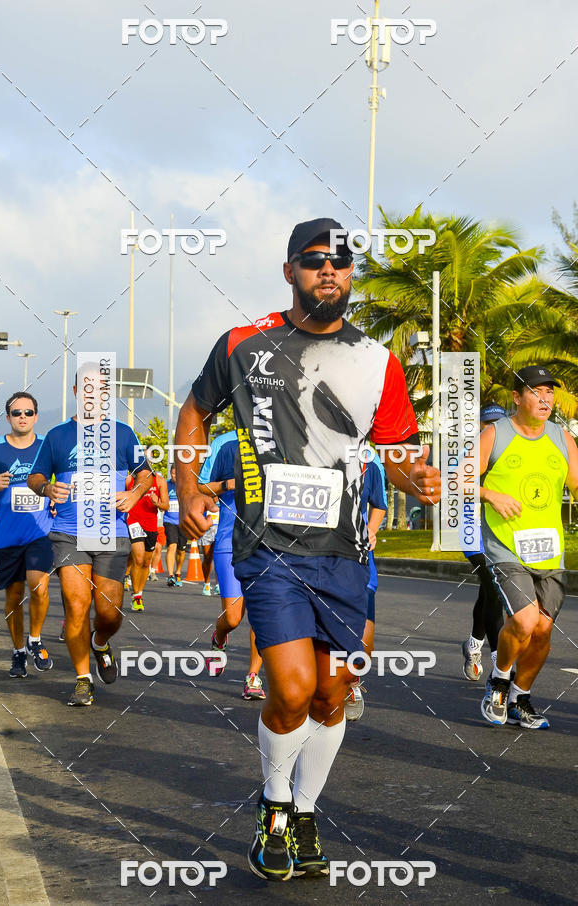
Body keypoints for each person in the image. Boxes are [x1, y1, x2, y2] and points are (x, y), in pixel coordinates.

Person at [176, 217, 441, 881]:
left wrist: (421, 479)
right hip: (269, 548)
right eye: (316, 260)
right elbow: (192, 412)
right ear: (290, 269)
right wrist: (184, 485)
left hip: (346, 553)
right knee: (291, 688)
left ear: (352, 276)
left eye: (342, 262)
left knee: (332, 691)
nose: (330, 270)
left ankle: (305, 811)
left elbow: (399, 451)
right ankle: (272, 810)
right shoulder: (243, 343)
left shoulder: (377, 362)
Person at [28, 367, 152, 706]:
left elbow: (145, 474)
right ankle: (83, 678)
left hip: (110, 533)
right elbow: (36, 476)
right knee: (77, 605)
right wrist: (46, 486)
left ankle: (100, 643)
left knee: (109, 613)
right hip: (69, 533)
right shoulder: (57, 435)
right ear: (75, 391)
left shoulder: (124, 433)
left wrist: (134, 494)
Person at [480, 366, 578, 728]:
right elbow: (457, 480)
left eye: (550, 392)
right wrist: (489, 493)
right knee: (524, 620)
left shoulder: (563, 438)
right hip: (507, 547)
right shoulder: (495, 434)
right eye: (536, 392)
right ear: (517, 398)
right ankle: (500, 679)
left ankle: (520, 697)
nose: (546, 398)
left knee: (542, 631)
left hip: (549, 550)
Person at [0, 392, 54, 677]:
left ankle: (34, 640)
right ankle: (18, 651)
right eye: (16, 412)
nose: (23, 417)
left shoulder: (48, 446)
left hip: (40, 532)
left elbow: (63, 481)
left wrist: (57, 500)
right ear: (8, 417)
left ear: (36, 416)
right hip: (8, 535)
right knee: (14, 596)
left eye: (28, 412)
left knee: (39, 586)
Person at [198, 429, 266, 700]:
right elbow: (201, 485)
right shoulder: (224, 443)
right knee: (234, 617)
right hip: (230, 542)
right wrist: (228, 485)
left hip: (270, 545)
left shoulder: (284, 437)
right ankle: (219, 636)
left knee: (262, 617)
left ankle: (253, 677)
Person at [461, 403, 506, 682]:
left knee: (488, 592)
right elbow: (455, 488)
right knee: (494, 591)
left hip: (501, 534)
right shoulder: (469, 455)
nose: (491, 428)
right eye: (486, 424)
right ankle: (501, 665)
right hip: (472, 532)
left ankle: (473, 646)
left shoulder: (510, 453)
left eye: (497, 423)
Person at [345, 455, 387, 721]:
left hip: (358, 555)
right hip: (314, 554)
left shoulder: (370, 463)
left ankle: (352, 680)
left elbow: (379, 505)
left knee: (363, 645)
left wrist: (371, 531)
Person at [126, 450, 169, 611]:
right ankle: (135, 595)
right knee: (138, 558)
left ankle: (139, 593)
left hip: (151, 524)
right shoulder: (130, 479)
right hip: (133, 521)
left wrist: (157, 503)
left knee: (145, 562)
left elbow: (165, 505)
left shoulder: (159, 481)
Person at [164, 464, 189, 586]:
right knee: (171, 546)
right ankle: (170, 575)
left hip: (182, 521)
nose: (175, 476)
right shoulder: (166, 485)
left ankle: (178, 572)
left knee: (181, 550)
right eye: (173, 474)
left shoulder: (185, 485)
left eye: (177, 474)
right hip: (169, 520)